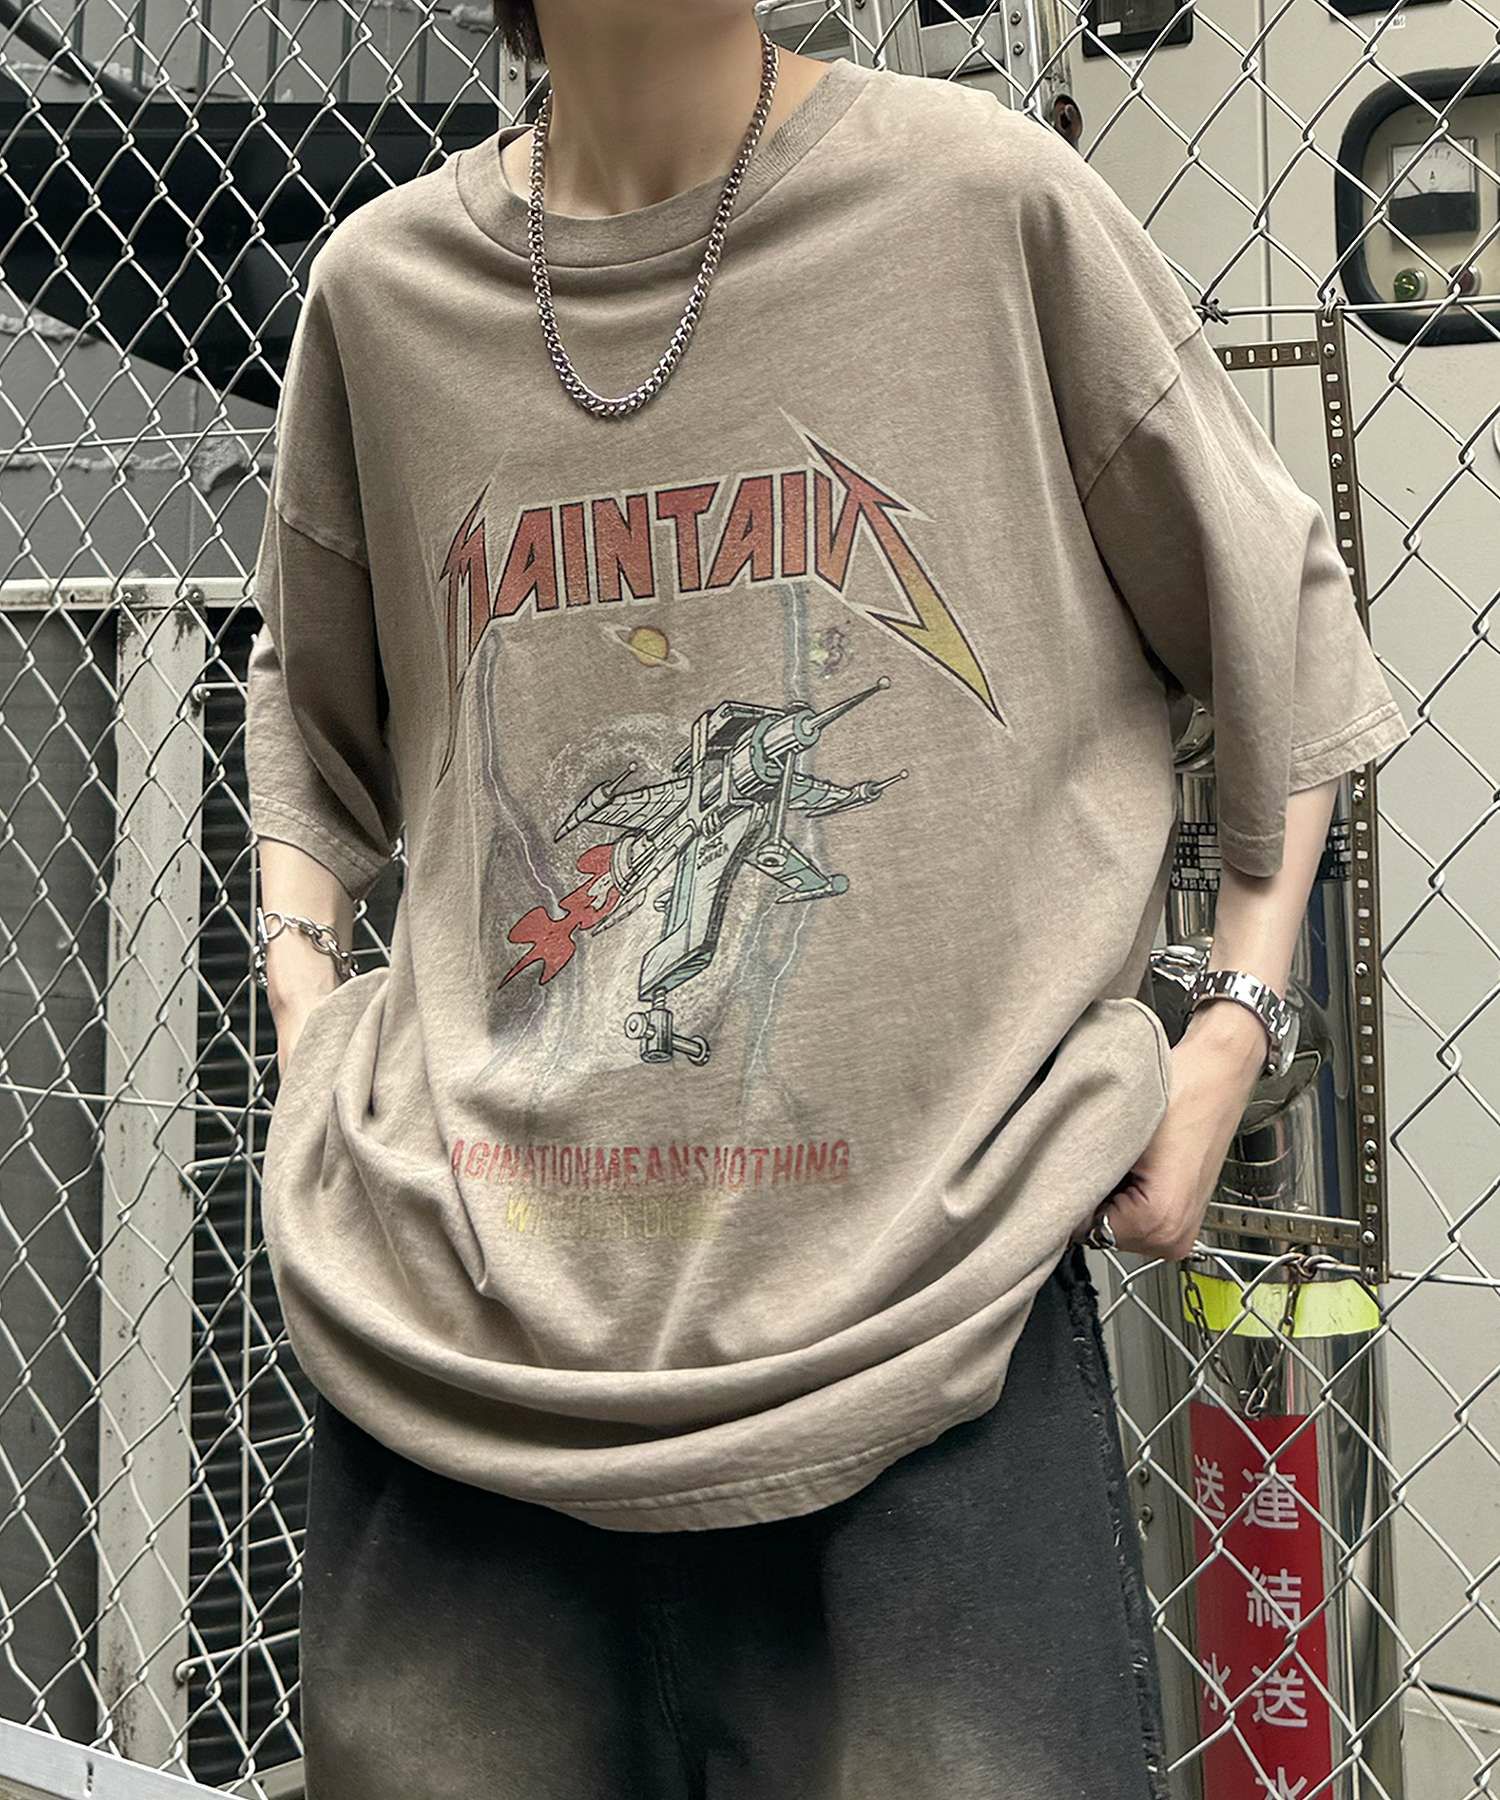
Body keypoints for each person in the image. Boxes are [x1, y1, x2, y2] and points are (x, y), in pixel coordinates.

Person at [244, 3, 1410, 1794]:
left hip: (922, 1354)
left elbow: (1279, 612)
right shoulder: (384, 296)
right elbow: (305, 708)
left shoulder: (984, 207)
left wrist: (1235, 1030)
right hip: (458, 1366)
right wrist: (309, 1024)